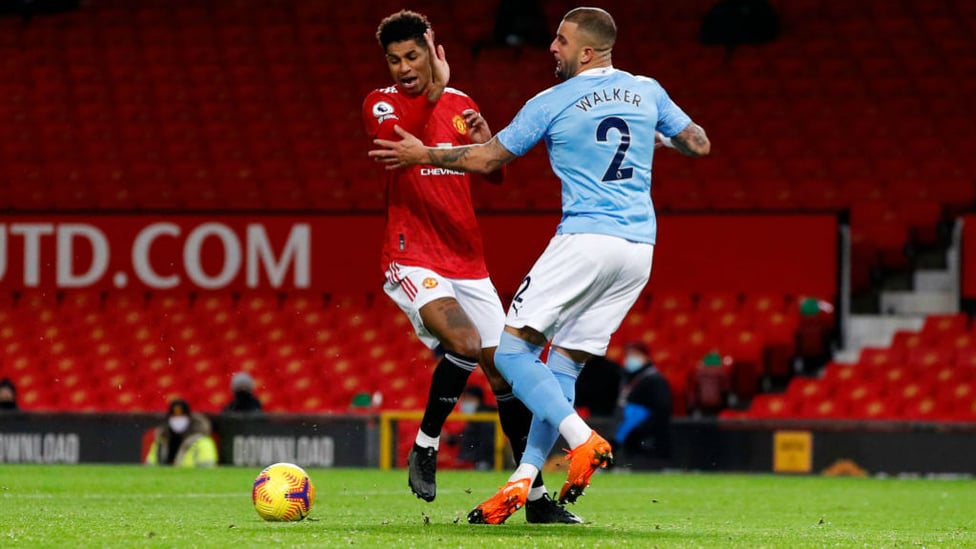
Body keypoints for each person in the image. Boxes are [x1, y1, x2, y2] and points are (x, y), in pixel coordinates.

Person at [370, 6, 710, 524]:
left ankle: (582, 440)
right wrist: (652, 138)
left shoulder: (551, 100)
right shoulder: (647, 89)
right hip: (639, 248)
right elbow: (698, 143)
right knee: (562, 367)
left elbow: (487, 162)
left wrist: (426, 152)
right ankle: (527, 488)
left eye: (561, 39)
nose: (552, 46)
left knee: (510, 355)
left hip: (585, 240)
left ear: (587, 51)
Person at [362, 10, 578, 523]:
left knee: (507, 378)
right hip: (411, 251)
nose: (403, 68)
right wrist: (437, 92)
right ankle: (425, 445)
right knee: (460, 344)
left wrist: (481, 139)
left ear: (429, 47)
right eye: (394, 60)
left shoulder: (460, 104)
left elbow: (492, 178)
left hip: (468, 259)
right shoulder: (382, 103)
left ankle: (536, 499)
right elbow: (404, 149)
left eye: (411, 56)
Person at [613, 342, 673, 465]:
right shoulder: (627, 377)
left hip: (648, 433)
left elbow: (662, 408)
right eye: (628, 355)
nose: (630, 358)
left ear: (646, 356)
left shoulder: (655, 379)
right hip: (629, 428)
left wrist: (645, 426)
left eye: (635, 355)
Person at [144, 399, 218, 467]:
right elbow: (150, 465)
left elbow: (207, 467)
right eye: (174, 416)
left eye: (182, 416)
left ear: (189, 417)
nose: (178, 419)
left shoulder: (202, 441)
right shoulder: (161, 440)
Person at [448, 386, 496, 470]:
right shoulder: (474, 418)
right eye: (464, 399)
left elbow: (486, 444)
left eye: (469, 399)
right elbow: (468, 437)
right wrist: (450, 439)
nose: (466, 403)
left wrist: (469, 460)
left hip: (482, 462)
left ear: (478, 400)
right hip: (475, 461)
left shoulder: (485, 418)